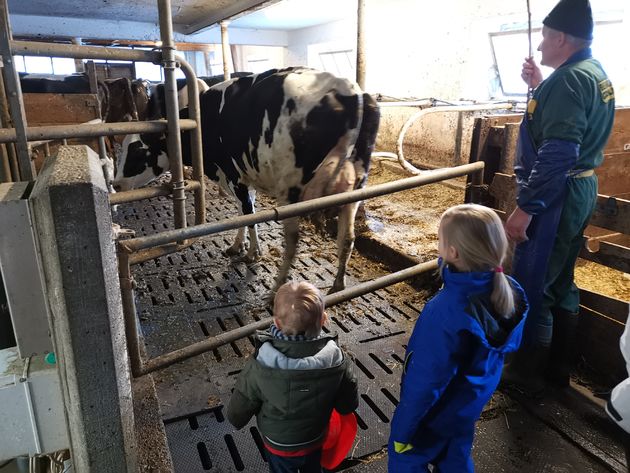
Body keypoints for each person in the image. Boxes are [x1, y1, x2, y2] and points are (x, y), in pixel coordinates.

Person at [503, 0, 616, 395]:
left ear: (562, 38)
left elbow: (559, 150)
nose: (539, 47)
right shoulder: (591, 73)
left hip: (556, 193)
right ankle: (558, 371)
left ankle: (528, 373)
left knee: (537, 284)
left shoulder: (568, 81)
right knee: (562, 279)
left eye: (545, 38)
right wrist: (539, 86)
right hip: (579, 186)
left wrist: (525, 208)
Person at [388, 204, 528, 473]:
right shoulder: (509, 293)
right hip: (467, 407)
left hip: (432, 418)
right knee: (455, 458)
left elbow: (425, 381)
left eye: (440, 239)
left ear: (452, 252)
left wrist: (403, 431)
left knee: (404, 460)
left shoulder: (444, 312)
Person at [226, 281, 358, 473]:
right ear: (323, 320)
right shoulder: (336, 359)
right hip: (315, 438)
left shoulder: (262, 362)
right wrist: (345, 407)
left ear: (276, 323)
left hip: (278, 444)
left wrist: (235, 419)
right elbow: (348, 401)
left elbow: (243, 399)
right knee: (312, 467)